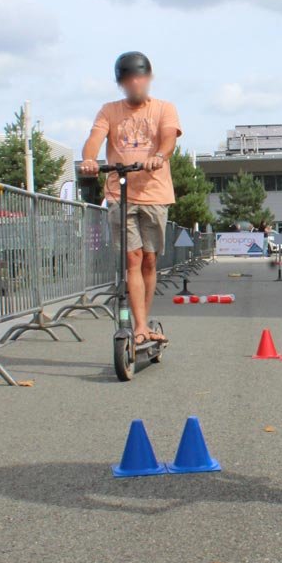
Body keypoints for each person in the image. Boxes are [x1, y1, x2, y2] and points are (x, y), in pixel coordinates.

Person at [80, 52, 181, 344]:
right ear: (121, 83)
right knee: (132, 258)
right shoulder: (109, 111)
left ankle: (143, 321)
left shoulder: (164, 108)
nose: (135, 83)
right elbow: (95, 138)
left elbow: (168, 138)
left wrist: (159, 156)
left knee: (149, 259)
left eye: (140, 77)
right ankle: (139, 326)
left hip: (154, 192)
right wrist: (89, 159)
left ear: (148, 79)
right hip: (119, 193)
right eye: (128, 79)